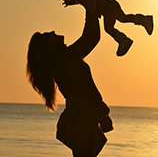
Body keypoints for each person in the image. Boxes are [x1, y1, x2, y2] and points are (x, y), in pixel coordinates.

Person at [26, 11, 113, 157]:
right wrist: (89, 7)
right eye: (49, 34)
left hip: (84, 114)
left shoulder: (66, 58)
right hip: (81, 115)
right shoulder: (64, 58)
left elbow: (93, 38)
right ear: (48, 45)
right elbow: (90, 37)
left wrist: (91, 9)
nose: (54, 32)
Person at [61, 0, 154, 57]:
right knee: (123, 18)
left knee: (109, 28)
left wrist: (92, 9)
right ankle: (143, 19)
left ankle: (124, 40)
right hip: (110, 4)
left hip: (107, 7)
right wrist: (68, 2)